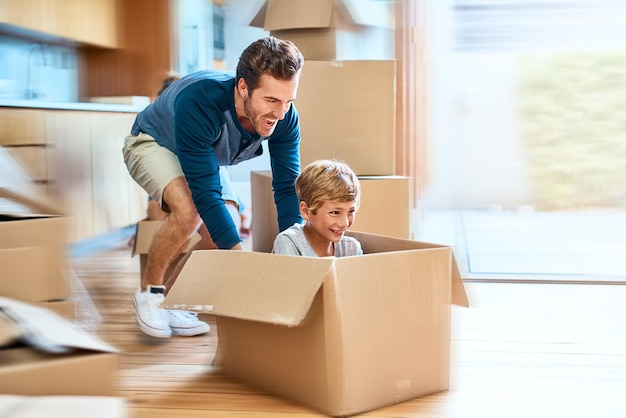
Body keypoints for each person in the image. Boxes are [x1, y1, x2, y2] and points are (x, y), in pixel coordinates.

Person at [122, 36, 304, 338]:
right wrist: (243, 264)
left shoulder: (284, 117)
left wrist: (295, 255)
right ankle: (149, 293)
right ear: (243, 87)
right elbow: (206, 196)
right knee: (191, 210)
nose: (280, 114)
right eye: (271, 100)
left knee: (227, 224)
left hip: (202, 153)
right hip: (154, 142)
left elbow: (286, 188)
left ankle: (172, 300)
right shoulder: (201, 100)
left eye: (289, 101)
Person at [273, 159, 363, 257]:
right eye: (335, 212)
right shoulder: (289, 242)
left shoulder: (352, 248)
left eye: (351, 211)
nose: (344, 223)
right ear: (306, 211)